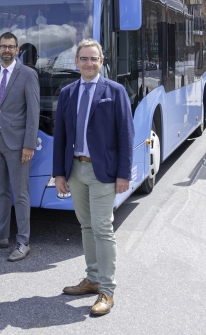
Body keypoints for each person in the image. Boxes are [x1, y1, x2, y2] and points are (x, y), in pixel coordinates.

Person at [53, 39, 134, 316]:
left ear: (102, 62)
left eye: (94, 59)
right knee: (86, 226)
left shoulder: (115, 91)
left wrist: (123, 174)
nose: (89, 63)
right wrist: (59, 173)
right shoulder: (66, 93)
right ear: (76, 62)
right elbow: (60, 137)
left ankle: (107, 291)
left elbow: (126, 135)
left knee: (102, 228)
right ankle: (92, 278)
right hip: (75, 170)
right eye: (84, 59)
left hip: (104, 172)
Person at [0, 32, 40, 262]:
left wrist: (29, 145)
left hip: (18, 144)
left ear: (17, 49)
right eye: (3, 46)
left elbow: (33, 113)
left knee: (20, 194)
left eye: (11, 47)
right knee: (0, 192)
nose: (7, 50)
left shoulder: (28, 75)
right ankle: (0, 236)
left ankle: (23, 242)